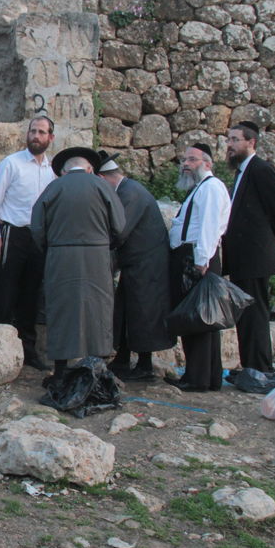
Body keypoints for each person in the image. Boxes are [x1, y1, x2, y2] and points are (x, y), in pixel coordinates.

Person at [30, 147, 125, 378]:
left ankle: (61, 370)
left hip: (60, 257)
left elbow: (37, 228)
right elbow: (120, 226)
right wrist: (106, 245)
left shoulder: (53, 188)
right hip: (97, 257)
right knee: (98, 309)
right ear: (90, 168)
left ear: (63, 171)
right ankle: (97, 368)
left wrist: (51, 248)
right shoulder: (102, 186)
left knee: (62, 309)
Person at [0, 117, 56, 370]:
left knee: (31, 294)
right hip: (12, 233)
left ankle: (28, 351)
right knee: (5, 292)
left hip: (38, 237)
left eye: (41, 132)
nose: (36, 136)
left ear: (50, 138)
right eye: (33, 131)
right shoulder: (11, 163)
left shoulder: (52, 170)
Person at [97, 151, 172, 382]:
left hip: (147, 264)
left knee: (143, 313)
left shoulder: (131, 194)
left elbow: (119, 231)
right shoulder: (128, 190)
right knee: (127, 310)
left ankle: (145, 364)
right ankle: (122, 357)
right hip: (136, 263)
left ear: (103, 178)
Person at [221, 121, 275, 374]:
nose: (230, 145)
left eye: (235, 140)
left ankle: (259, 368)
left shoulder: (261, 170)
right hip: (244, 256)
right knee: (246, 314)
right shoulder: (242, 172)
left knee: (255, 313)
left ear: (251, 142)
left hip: (255, 255)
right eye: (229, 140)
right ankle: (251, 365)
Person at [166, 143, 232, 393]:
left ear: (207, 163)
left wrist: (201, 262)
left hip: (197, 258)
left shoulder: (211, 188)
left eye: (192, 160)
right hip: (194, 256)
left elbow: (209, 226)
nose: (186, 164)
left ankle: (198, 377)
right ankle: (206, 376)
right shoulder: (200, 189)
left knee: (199, 319)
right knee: (199, 318)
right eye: (184, 160)